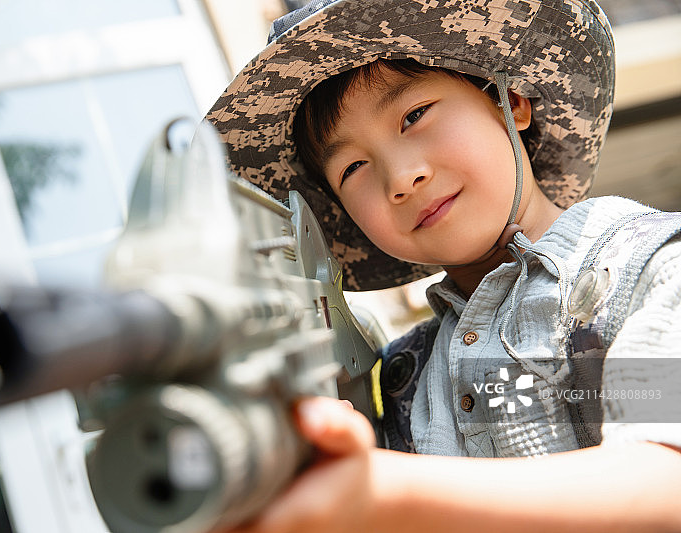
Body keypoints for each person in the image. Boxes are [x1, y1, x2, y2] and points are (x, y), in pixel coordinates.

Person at [206, 0, 681, 531]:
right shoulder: (401, 376)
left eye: (414, 116)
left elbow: (667, 484)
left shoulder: (651, 267)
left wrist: (382, 489)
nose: (400, 178)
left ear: (511, 101)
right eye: (353, 167)